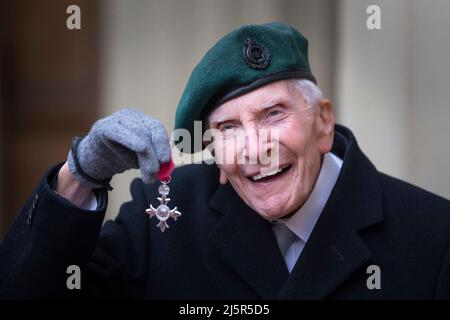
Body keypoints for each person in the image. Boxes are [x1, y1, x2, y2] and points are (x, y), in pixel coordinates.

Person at [1, 22, 450, 299]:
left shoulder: (433, 236)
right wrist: (80, 176)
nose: (255, 149)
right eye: (229, 129)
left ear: (323, 123)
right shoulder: (167, 216)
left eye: (273, 114)